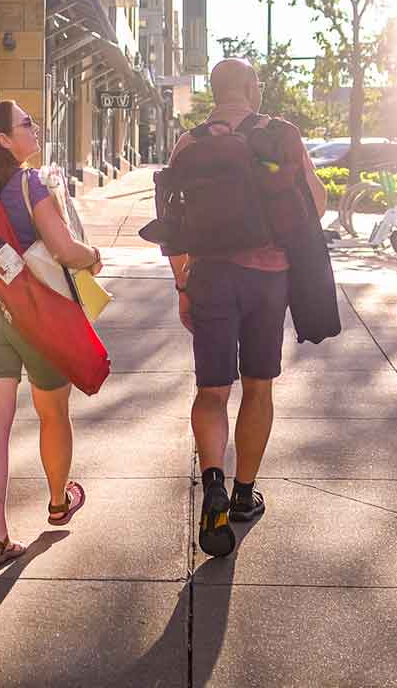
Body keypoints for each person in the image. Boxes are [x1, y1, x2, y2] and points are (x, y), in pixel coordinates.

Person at [166, 58, 329, 558]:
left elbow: (173, 223)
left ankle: (212, 481)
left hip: (211, 276)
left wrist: (183, 285)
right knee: (258, 387)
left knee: (211, 392)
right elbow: (316, 204)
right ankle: (242, 494)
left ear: (213, 92)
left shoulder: (190, 142)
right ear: (253, 89)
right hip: (268, 279)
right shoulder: (282, 134)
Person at [0, 101, 101, 564]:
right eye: (25, 124)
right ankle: (59, 501)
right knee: (52, 413)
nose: (33, 128)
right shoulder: (30, 182)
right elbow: (63, 249)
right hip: (36, 315)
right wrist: (92, 253)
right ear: (4, 140)